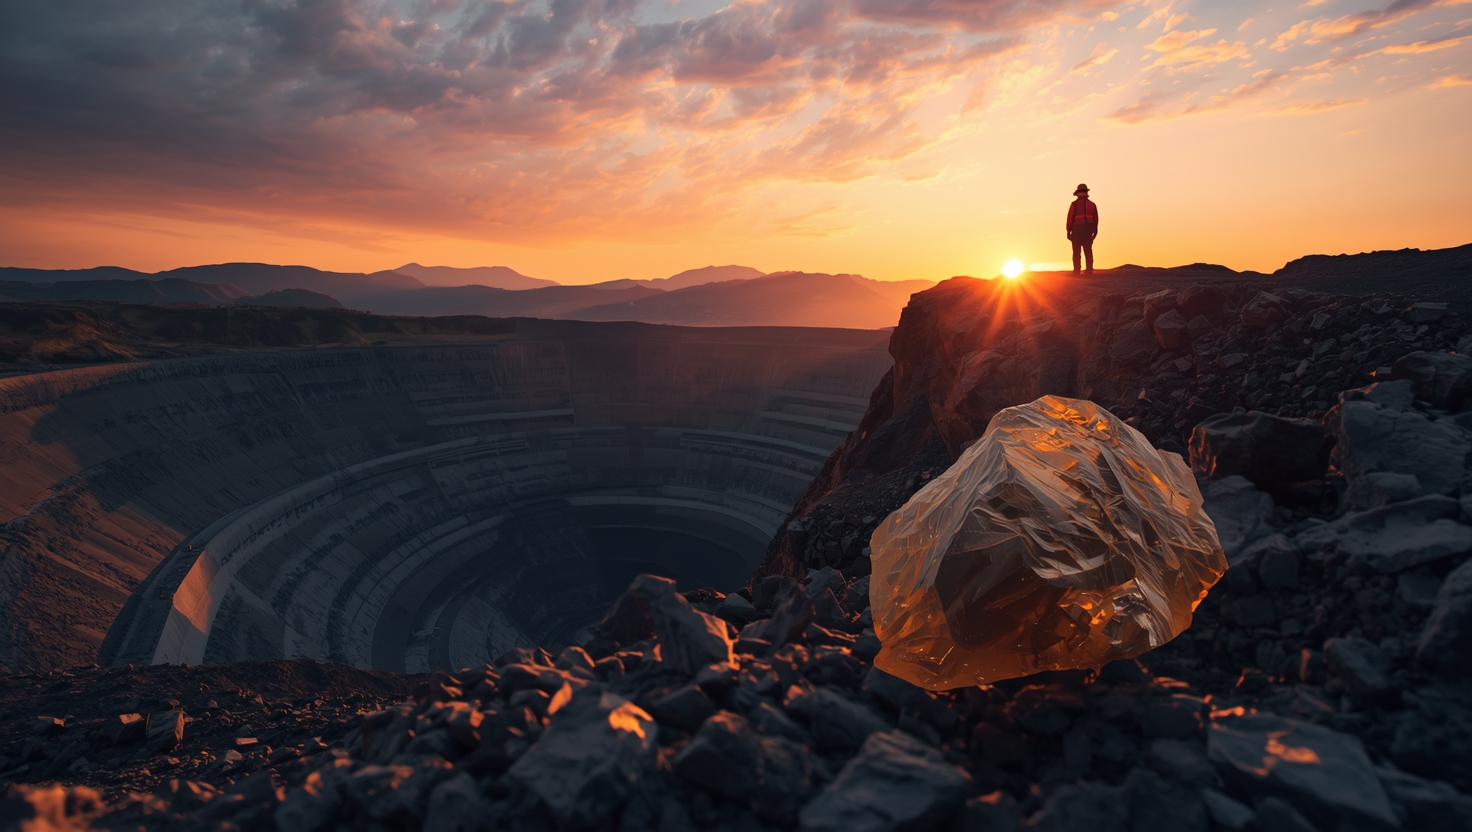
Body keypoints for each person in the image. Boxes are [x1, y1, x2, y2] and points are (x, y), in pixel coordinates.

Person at [1066, 184, 1098, 275]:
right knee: (1088, 251)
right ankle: (1089, 270)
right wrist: (1095, 231)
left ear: (1077, 193)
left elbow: (1070, 219)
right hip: (1088, 230)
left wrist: (1068, 231)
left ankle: (1076, 271)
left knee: (1076, 252)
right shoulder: (1092, 205)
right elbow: (1096, 220)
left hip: (1077, 230)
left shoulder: (1074, 204)